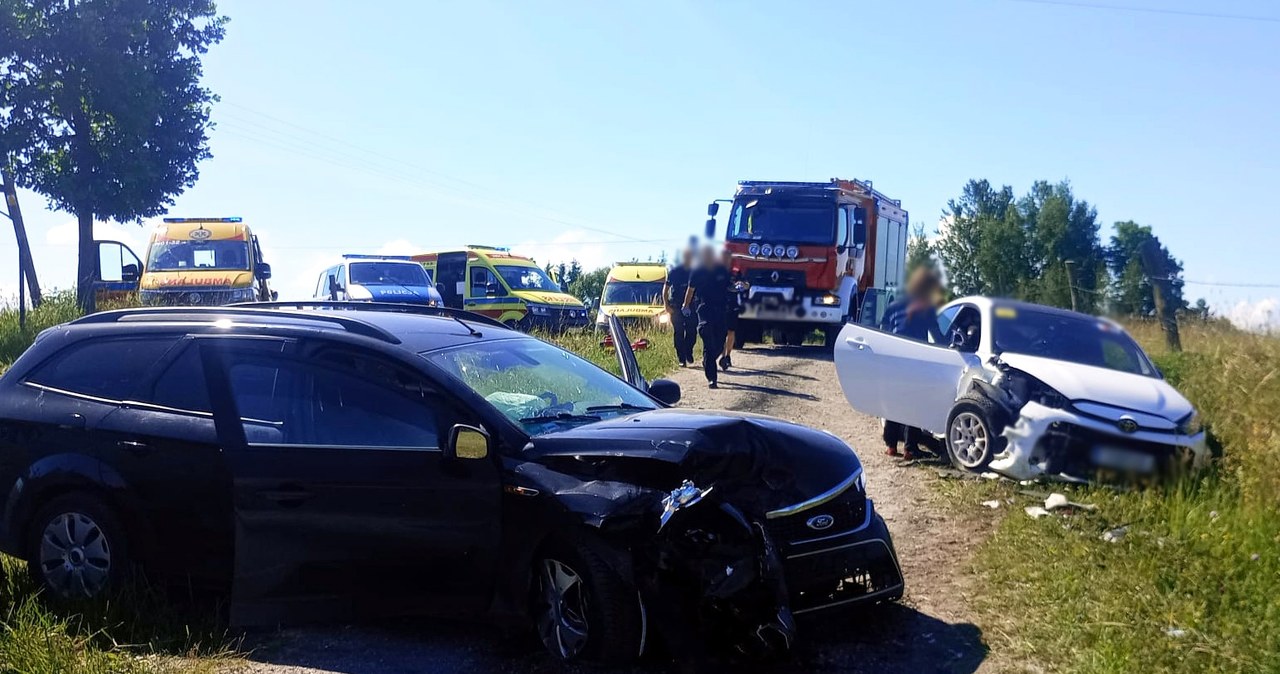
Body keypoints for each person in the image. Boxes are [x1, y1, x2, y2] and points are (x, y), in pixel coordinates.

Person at [879, 266, 945, 459]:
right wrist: (948, 348)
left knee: (894, 403)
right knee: (914, 405)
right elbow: (937, 336)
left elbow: (882, 333)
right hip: (916, 360)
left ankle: (891, 446)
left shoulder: (892, 308)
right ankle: (910, 448)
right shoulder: (927, 308)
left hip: (894, 361)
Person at [683, 245, 731, 388]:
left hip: (721, 309)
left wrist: (740, 286)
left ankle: (707, 361)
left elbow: (729, 286)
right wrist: (685, 306)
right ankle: (712, 378)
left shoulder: (722, 270)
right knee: (708, 340)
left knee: (720, 341)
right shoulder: (698, 271)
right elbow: (690, 290)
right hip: (704, 309)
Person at [664, 248, 696, 366]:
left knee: (692, 331)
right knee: (679, 332)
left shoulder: (694, 271)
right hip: (676, 305)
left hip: (691, 306)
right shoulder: (674, 271)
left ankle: (688, 351)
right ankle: (681, 358)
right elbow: (665, 289)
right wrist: (666, 305)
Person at [719, 249, 748, 371]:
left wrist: (743, 285)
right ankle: (721, 355)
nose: (726, 260)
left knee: (731, 332)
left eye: (728, 257)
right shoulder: (716, 272)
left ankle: (728, 355)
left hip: (733, 305)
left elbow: (747, 284)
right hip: (719, 305)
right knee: (720, 333)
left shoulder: (736, 272)